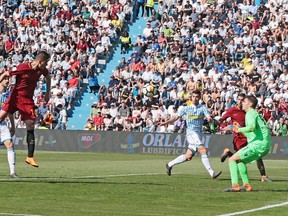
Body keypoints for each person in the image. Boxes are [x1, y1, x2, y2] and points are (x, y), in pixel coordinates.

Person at [0, 51, 51, 168]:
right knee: (1, 117)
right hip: (15, 97)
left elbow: (48, 78)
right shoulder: (23, 67)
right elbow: (6, 73)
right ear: (40, 61)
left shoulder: (41, 70)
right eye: (45, 63)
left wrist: (47, 93)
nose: (46, 66)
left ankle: (30, 157)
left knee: (30, 124)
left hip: (27, 100)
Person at [160, 90, 222, 179]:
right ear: (191, 97)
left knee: (188, 156)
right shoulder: (186, 108)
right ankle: (212, 173)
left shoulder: (202, 108)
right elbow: (176, 117)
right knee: (202, 150)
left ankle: (169, 164)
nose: (195, 98)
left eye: (197, 97)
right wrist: (166, 122)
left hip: (199, 134)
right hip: (190, 133)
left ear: (199, 98)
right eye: (193, 96)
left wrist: (209, 119)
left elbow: (208, 116)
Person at [222, 95, 271, 192]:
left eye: (244, 101)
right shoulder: (255, 114)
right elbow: (252, 131)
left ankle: (235, 185)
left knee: (232, 159)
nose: (242, 103)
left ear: (250, 104)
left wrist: (236, 129)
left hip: (258, 144)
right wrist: (236, 129)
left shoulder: (250, 113)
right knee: (240, 160)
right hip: (264, 144)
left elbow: (251, 127)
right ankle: (246, 185)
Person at [0, 76, 17, 178]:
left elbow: (10, 112)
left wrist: (13, 126)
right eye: (5, 79)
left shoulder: (8, 96)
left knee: (10, 145)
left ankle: (12, 172)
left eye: (8, 79)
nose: (7, 81)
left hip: (2, 125)